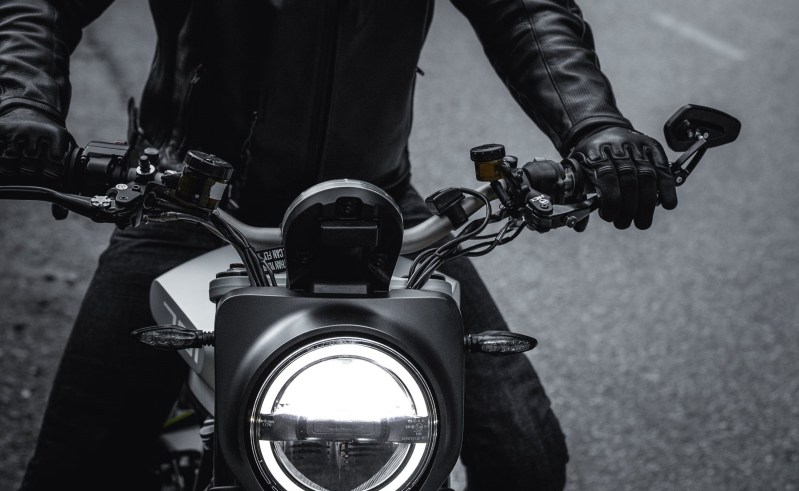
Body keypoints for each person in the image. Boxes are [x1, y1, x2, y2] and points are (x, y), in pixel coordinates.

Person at [0, 1, 677, 490]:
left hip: (374, 210)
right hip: (186, 203)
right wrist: (23, 107)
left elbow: (522, 11)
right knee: (78, 466)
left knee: (522, 456)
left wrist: (594, 128)